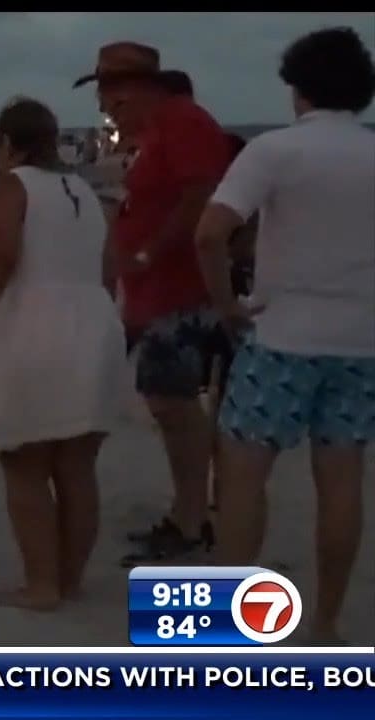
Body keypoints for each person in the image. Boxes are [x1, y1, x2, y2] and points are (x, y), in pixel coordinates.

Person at [195, 27, 375, 643]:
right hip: (360, 341)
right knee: (342, 483)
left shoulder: (275, 150)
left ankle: (228, 625)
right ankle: (325, 622)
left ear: (299, 89)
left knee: (244, 476)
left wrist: (226, 304)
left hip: (283, 336)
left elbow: (210, 232)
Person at [0, 98, 126, 611]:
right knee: (77, 466)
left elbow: (3, 260)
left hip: (31, 325)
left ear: (7, 143)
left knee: (25, 463)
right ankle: (69, 578)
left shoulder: (10, 185)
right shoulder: (85, 190)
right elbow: (109, 267)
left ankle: (42, 583)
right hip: (94, 322)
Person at [75, 42, 233, 563]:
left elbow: (200, 196)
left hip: (178, 290)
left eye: (111, 101)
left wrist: (150, 250)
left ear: (135, 91)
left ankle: (193, 520)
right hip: (155, 292)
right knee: (168, 407)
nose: (108, 112)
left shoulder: (183, 123)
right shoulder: (158, 131)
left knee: (175, 407)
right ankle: (189, 514)